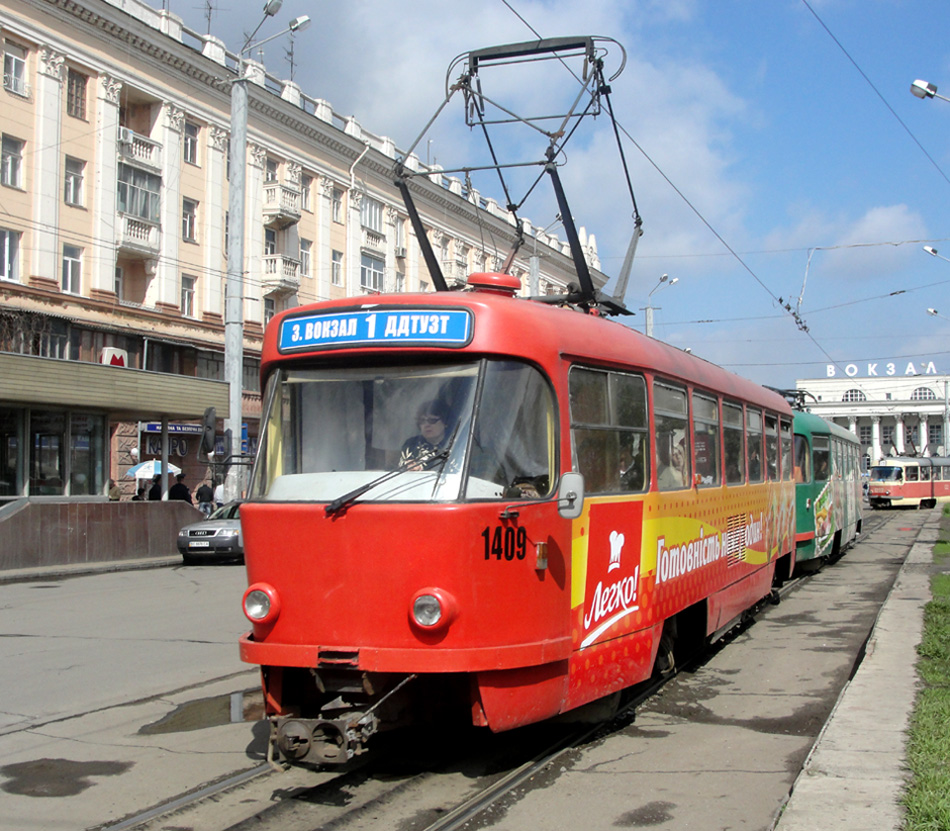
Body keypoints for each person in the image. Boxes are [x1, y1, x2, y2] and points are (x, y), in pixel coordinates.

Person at [400, 400, 451, 470]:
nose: (427, 425)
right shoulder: (411, 444)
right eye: (422, 421)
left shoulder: (455, 444)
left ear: (445, 422)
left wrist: (421, 467)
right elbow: (400, 469)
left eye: (432, 420)